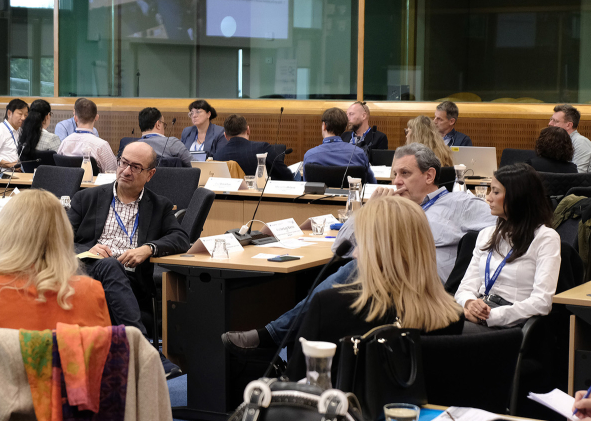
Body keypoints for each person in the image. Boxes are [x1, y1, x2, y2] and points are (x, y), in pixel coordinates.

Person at [222, 144, 495, 354]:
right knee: (348, 272)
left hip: (426, 285)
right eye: (394, 174)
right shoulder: (389, 205)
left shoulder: (461, 206)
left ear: (429, 175)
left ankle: (274, 336)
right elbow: (344, 243)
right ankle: (299, 352)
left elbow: (510, 225)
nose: (397, 181)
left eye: (405, 174)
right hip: (383, 281)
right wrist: (370, 210)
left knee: (355, 268)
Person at [286, 195, 464, 380]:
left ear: (379, 251)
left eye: (360, 243)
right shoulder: (452, 315)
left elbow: (295, 384)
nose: (354, 253)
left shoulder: (329, 306)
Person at [0, 189, 111, 380]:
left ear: (4, 231)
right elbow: (102, 372)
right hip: (69, 406)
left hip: (1, 407)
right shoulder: (91, 292)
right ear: (63, 234)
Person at [68, 142, 190, 377]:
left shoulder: (159, 205)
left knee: (113, 273)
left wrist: (149, 248)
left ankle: (123, 358)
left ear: (150, 174)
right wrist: (88, 250)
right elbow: (59, 238)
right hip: (86, 270)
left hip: (132, 279)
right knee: (109, 265)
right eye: (123, 163)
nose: (126, 171)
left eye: (135, 167)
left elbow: (181, 238)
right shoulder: (86, 198)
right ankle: (147, 352)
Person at [455, 163, 560, 333]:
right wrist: (469, 303)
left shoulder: (545, 238)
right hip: (477, 316)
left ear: (517, 197)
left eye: (495, 192)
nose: (488, 198)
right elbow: (464, 288)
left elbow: (542, 302)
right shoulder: (486, 234)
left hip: (508, 325)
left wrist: (491, 316)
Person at [296, 107, 375, 183]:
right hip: (350, 196)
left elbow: (307, 183)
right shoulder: (359, 153)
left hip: (319, 196)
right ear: (344, 128)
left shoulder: (310, 155)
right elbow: (371, 183)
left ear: (324, 126)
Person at [214, 114, 294, 180]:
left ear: (225, 135)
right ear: (248, 130)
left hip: (230, 199)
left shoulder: (217, 156)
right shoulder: (263, 148)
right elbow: (286, 175)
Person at [57, 97, 118, 173]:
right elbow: (113, 172)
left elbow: (58, 169)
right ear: (96, 117)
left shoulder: (65, 143)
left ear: (75, 118)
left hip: (67, 184)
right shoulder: (101, 146)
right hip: (96, 185)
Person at [0, 98, 29, 174]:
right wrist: (10, 165)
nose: (23, 118)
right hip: (0, 175)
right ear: (9, 113)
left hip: (18, 174)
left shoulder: (21, 131)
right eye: (20, 114)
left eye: (26, 115)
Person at [548, 104, 591, 172]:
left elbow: (578, 175)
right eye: (551, 119)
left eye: (555, 121)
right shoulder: (554, 141)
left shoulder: (581, 142)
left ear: (569, 125)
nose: (550, 123)